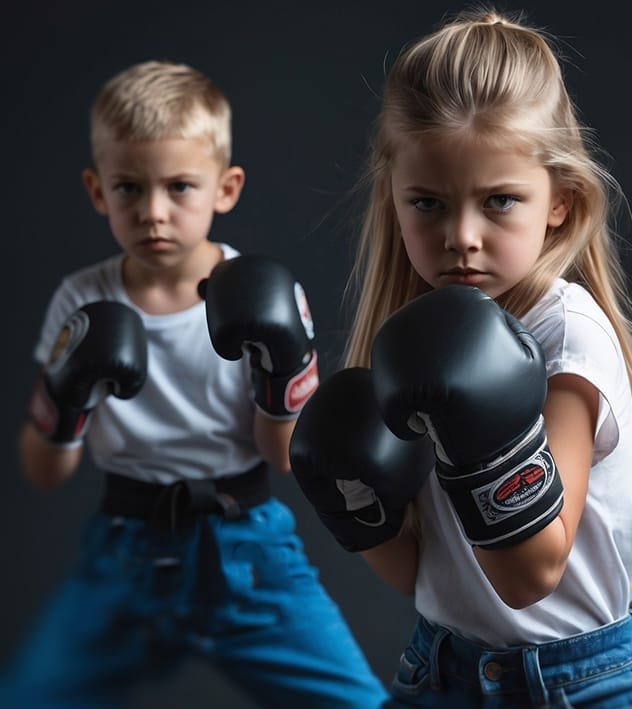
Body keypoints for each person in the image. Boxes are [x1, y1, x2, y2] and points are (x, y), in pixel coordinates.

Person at [288, 9, 632, 708]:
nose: (462, 236)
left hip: (573, 685)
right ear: (393, 198)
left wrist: (477, 432)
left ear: (560, 202)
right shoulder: (416, 343)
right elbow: (418, 574)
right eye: (428, 203)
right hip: (439, 670)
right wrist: (357, 506)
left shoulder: (567, 337)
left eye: (499, 201)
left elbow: (528, 575)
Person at [1, 60, 387, 708]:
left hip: (247, 552)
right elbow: (43, 472)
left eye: (179, 187)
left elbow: (284, 457)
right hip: (123, 554)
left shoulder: (263, 294)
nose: (153, 212)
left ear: (225, 188)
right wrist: (66, 397)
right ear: (97, 191)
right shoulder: (81, 299)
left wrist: (280, 370)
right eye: (128, 188)